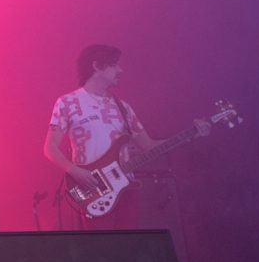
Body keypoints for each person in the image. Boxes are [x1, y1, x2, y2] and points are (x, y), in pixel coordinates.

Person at [43, 44, 210, 229]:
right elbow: (50, 147)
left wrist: (191, 134)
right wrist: (75, 171)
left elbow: (148, 146)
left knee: (129, 243)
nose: (120, 70)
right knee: (102, 246)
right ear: (97, 66)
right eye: (114, 64)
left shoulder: (123, 107)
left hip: (126, 189)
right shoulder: (67, 103)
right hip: (94, 190)